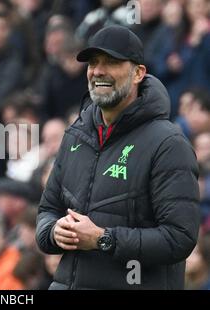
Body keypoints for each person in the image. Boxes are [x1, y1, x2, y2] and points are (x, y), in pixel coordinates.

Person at [36, 25, 201, 290]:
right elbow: (47, 210)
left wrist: (104, 239)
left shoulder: (168, 144)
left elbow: (179, 238)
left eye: (111, 62)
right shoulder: (75, 135)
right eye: (93, 63)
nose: (98, 71)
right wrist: (53, 232)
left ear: (138, 73)